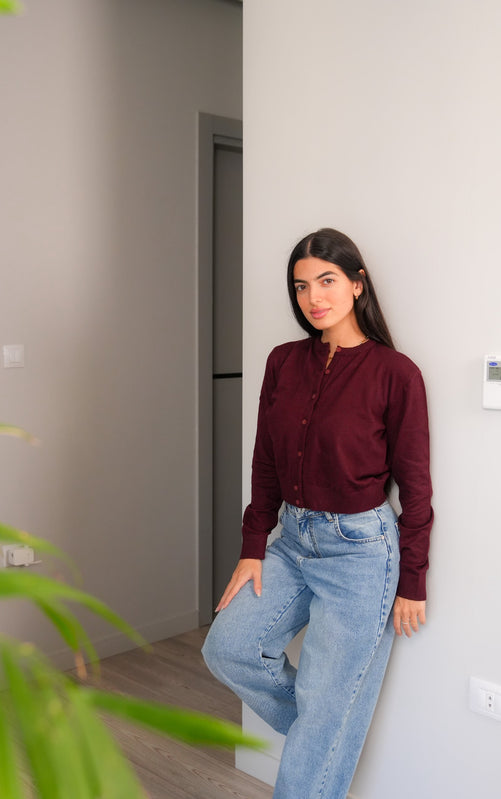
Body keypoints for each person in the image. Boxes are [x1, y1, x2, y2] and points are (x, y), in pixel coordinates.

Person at [202, 228, 433, 799]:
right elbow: (264, 461)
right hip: (290, 539)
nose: (313, 297)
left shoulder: (394, 373)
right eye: (301, 286)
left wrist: (413, 580)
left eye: (327, 281)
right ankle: (325, 724)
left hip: (361, 555)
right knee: (228, 648)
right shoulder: (283, 362)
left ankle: (325, 728)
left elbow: (417, 487)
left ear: (357, 285)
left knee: (325, 721)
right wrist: (252, 545)